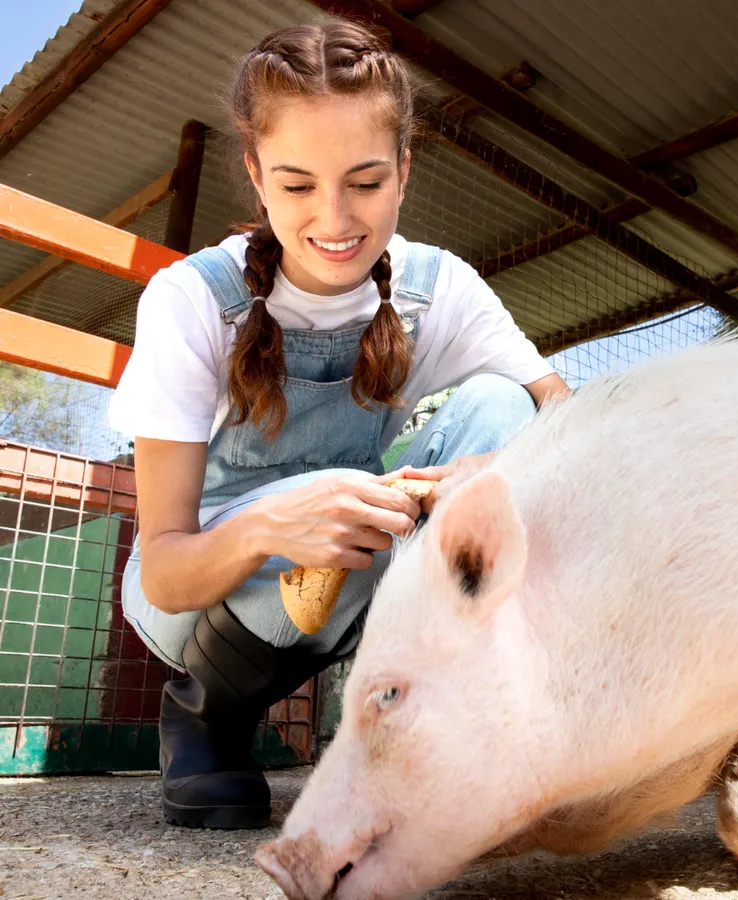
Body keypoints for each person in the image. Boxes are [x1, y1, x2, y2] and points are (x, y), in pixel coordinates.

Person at [107, 17, 570, 831]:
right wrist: (267, 526)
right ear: (254, 174)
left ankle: (446, 726)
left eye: (365, 181)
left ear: (404, 169)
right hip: (199, 594)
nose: (334, 219)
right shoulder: (192, 300)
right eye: (295, 186)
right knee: (348, 498)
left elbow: (568, 418)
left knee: (507, 414)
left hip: (348, 558)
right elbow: (165, 574)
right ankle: (206, 716)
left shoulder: (439, 287)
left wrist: (496, 470)